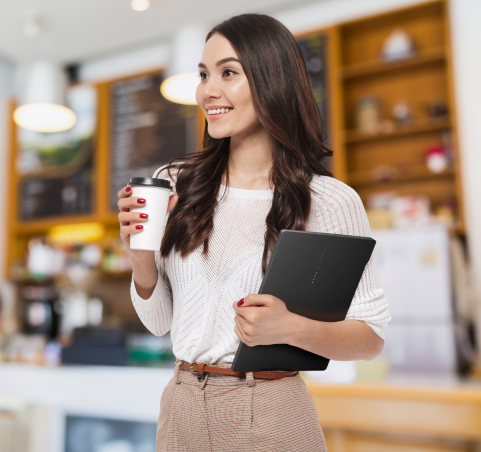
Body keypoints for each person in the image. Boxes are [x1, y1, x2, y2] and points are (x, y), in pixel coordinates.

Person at [117, 14, 390, 451]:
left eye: (228, 72)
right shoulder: (174, 182)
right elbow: (160, 323)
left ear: (271, 80)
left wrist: (290, 328)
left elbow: (370, 339)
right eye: (204, 74)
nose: (208, 90)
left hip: (268, 411)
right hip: (181, 407)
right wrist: (140, 258)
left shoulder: (328, 200)